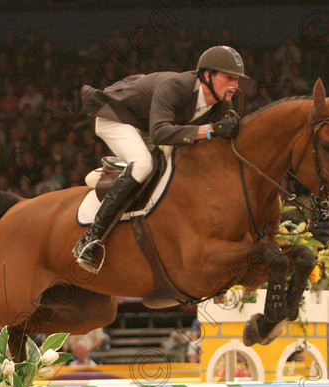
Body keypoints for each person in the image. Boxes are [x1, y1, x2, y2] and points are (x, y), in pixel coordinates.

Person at [73, 45, 246, 273]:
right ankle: (91, 239)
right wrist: (211, 129)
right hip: (117, 118)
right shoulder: (175, 85)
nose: (235, 85)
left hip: (145, 126)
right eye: (229, 78)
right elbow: (160, 133)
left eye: (237, 79)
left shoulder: (223, 103)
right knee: (144, 164)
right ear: (207, 75)